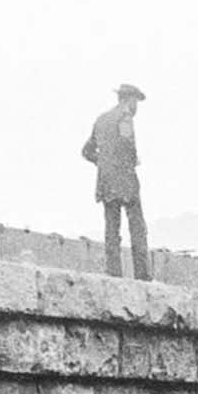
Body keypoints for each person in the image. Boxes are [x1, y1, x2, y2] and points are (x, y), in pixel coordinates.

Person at [82, 83, 151, 280]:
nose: (136, 107)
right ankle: (142, 275)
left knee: (111, 228)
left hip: (106, 180)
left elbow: (86, 152)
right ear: (130, 100)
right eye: (136, 102)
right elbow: (127, 142)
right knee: (137, 226)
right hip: (125, 178)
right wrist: (133, 159)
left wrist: (102, 162)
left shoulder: (101, 120)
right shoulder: (125, 116)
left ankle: (114, 273)